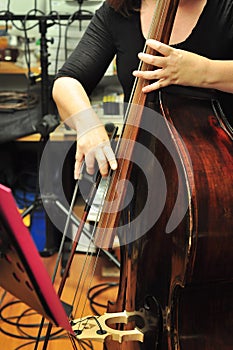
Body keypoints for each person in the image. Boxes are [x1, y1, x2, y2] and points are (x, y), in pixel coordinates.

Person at [52, 0, 233, 180]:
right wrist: (87, 124)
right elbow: (67, 81)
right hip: (143, 170)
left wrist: (205, 71)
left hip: (222, 170)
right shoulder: (120, 9)